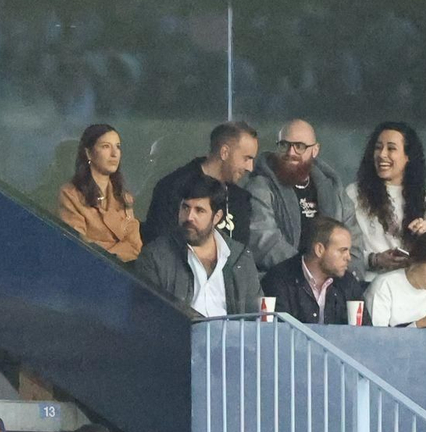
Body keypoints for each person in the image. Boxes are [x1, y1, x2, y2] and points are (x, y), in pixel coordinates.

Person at [132, 170, 263, 317]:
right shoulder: (155, 256)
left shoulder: (240, 258)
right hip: (182, 331)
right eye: (185, 207)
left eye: (199, 211)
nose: (189, 217)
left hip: (231, 332)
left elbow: (257, 318)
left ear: (217, 217)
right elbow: (147, 316)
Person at [246, 119, 364, 276]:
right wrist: (308, 272)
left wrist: (346, 279)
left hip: (331, 280)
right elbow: (264, 241)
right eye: (284, 145)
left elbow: (353, 243)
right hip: (282, 279)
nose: (290, 152)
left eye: (299, 146)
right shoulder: (260, 186)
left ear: (315, 150)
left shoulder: (333, 190)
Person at [347, 122, 426, 279]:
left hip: (415, 285)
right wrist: (375, 260)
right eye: (378, 147)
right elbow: (341, 249)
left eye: (391, 148)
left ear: (408, 156)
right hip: (367, 284)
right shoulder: (354, 194)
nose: (382, 154)